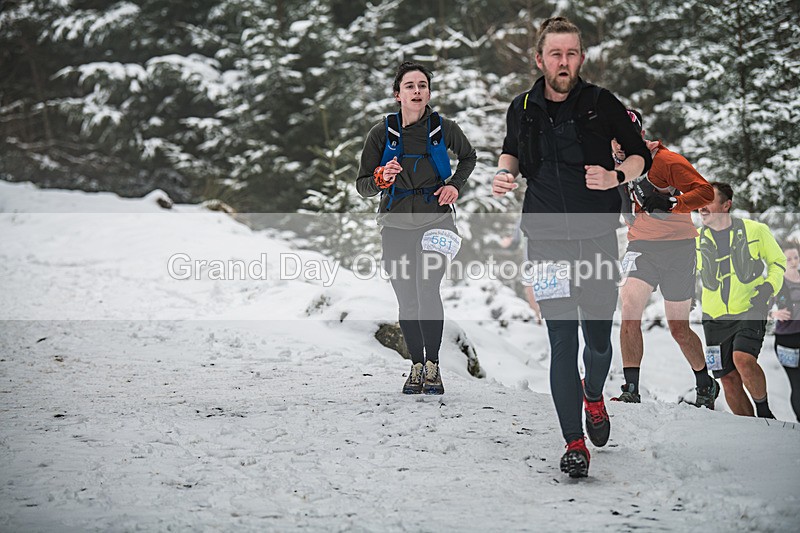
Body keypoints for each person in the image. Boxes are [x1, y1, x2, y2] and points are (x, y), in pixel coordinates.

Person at [493, 16, 652, 478]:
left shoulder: (602, 103)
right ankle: (574, 443)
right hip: (543, 236)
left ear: (581, 57)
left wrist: (616, 175)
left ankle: (594, 396)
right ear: (539, 59)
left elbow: (640, 155)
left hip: (596, 237)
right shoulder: (522, 107)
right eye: (555, 54)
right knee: (562, 339)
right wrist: (504, 173)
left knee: (598, 343)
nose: (563, 62)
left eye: (570, 53)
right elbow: (511, 150)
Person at [356, 61, 476, 395]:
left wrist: (454, 186)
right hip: (395, 225)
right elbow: (363, 185)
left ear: (429, 92)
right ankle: (416, 366)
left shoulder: (443, 128)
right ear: (398, 94)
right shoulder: (382, 133)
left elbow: (469, 157)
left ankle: (433, 366)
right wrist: (381, 178)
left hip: (437, 221)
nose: (417, 91)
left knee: (427, 288)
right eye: (410, 86)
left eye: (422, 85)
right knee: (408, 299)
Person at [612, 109, 719, 407]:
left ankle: (705, 384)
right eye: (616, 139)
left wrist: (674, 203)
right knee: (629, 309)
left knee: (678, 329)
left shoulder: (666, 161)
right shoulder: (612, 167)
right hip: (641, 247)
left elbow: (706, 192)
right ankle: (631, 389)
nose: (621, 144)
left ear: (641, 136)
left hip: (678, 249)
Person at [697, 182, 786, 418]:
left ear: (726, 205)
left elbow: (778, 262)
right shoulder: (696, 240)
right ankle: (750, 429)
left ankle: (765, 414)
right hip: (713, 318)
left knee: (743, 359)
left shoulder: (755, 230)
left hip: (750, 307)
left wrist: (768, 288)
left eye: (709, 200)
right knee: (727, 379)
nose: (702, 207)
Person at [772, 241, 800, 421]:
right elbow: (759, 305)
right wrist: (773, 313)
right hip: (786, 340)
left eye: (796, 257)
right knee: (797, 384)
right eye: (788, 259)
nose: (793, 262)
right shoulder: (776, 282)